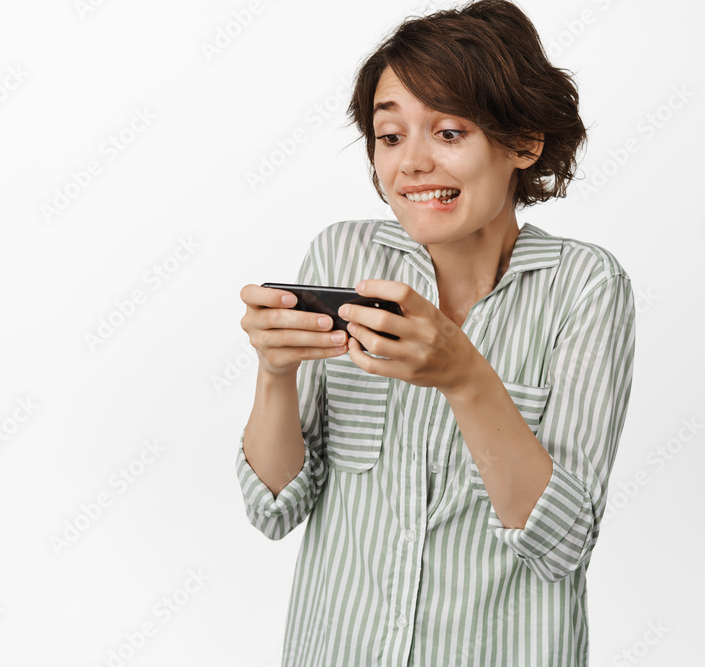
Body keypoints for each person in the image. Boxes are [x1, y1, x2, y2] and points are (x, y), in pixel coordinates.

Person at [236, 1, 635, 664]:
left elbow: (561, 544)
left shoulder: (584, 286)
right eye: (390, 136)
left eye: (448, 132)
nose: (411, 163)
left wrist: (465, 377)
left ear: (523, 143)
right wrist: (274, 372)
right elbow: (274, 509)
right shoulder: (342, 255)